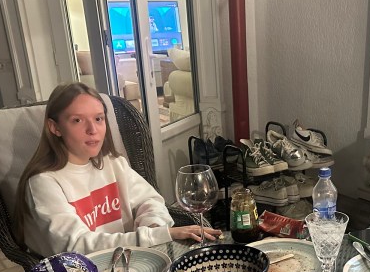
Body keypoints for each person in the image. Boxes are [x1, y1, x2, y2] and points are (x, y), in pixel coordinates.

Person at [14, 82, 220, 257]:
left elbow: (150, 200)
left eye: (98, 119)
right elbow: (76, 246)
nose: (92, 130)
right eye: (77, 120)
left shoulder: (112, 163)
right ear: (55, 127)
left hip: (130, 263)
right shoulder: (43, 182)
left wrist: (153, 228)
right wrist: (153, 237)